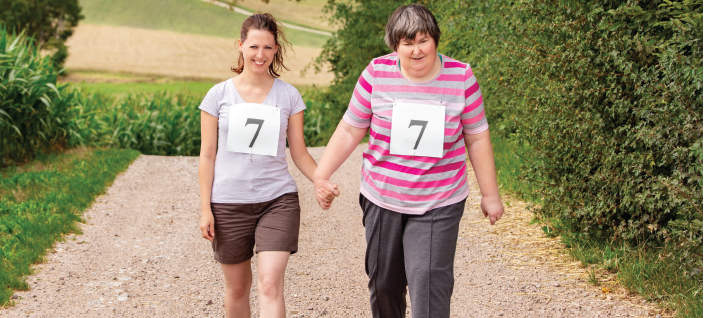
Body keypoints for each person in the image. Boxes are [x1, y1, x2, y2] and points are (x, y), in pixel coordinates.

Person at [313, 4, 505, 318]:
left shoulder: (461, 77)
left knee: (428, 281)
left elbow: (477, 136)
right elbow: (350, 129)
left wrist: (491, 194)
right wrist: (322, 174)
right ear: (395, 46)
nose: (416, 50)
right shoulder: (376, 73)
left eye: (423, 40)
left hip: (439, 199)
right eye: (407, 43)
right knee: (385, 284)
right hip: (383, 196)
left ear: (435, 41)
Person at [198, 13, 330, 318]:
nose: (261, 55)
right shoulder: (218, 96)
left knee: (270, 285)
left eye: (268, 48)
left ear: (276, 50)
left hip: (277, 201)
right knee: (238, 289)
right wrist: (205, 208)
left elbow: (299, 153)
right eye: (254, 47)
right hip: (228, 204)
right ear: (241, 45)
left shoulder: (289, 95)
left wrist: (319, 179)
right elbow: (207, 155)